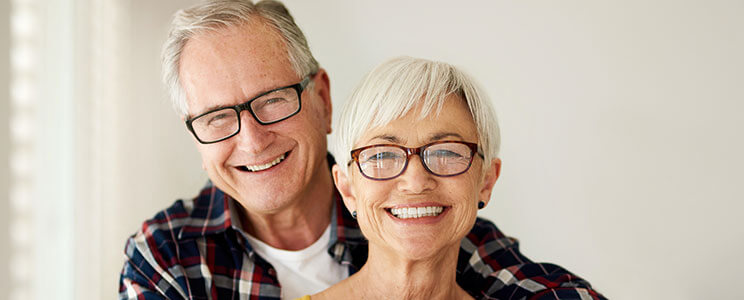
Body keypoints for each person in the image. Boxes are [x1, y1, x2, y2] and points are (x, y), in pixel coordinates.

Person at [119, 1, 605, 299]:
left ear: (323, 100)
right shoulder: (169, 256)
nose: (252, 139)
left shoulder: (412, 213)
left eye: (273, 100)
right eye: (218, 117)